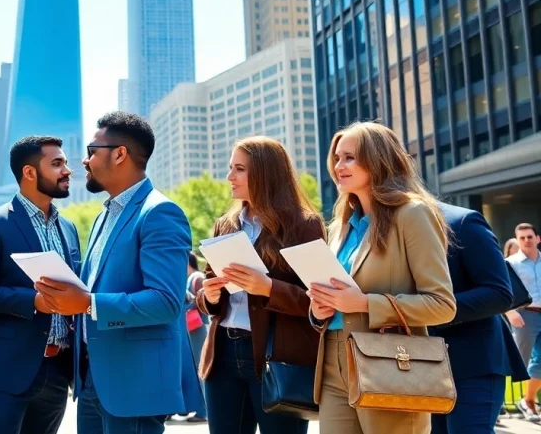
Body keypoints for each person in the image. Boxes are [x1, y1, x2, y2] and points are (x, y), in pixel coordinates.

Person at [34, 111, 202, 434]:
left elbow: (167, 302)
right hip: (93, 380)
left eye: (91, 151)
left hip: (135, 386)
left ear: (120, 154)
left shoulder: (160, 213)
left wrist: (88, 303)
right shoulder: (103, 217)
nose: (84, 161)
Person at [308, 122, 455, 434]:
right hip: (333, 362)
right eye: (337, 158)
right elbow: (338, 298)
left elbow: (442, 304)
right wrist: (319, 310)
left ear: (377, 159)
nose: (339, 166)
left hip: (390, 362)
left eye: (349, 157)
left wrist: (364, 303)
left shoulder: (413, 214)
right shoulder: (339, 227)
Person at [197, 137, 324, 434]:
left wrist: (268, 288)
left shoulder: (304, 225)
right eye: (231, 167)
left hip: (278, 358)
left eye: (239, 169)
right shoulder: (225, 224)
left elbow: (319, 301)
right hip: (223, 354)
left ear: (266, 173)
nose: (229, 176)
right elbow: (207, 289)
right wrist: (210, 295)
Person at [0, 135, 80, 434]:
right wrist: (33, 301)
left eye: (65, 163)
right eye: (57, 164)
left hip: (58, 370)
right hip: (6, 369)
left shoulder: (69, 228)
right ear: (29, 172)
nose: (67, 170)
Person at [430, 204, 529, 434]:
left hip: (474, 359)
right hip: (419, 364)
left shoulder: (461, 222)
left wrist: (427, 309)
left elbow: (499, 293)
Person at [505, 222, 541, 421]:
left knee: (540, 362)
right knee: (518, 361)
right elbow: (501, 291)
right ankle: (498, 407)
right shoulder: (510, 263)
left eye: (530, 236)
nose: (526, 240)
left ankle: (528, 401)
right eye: (522, 238)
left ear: (538, 239)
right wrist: (510, 312)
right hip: (523, 315)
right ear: (517, 241)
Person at [178, 251, 206, 424]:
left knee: (200, 368)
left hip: (198, 328)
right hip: (192, 328)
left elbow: (202, 302)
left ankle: (203, 411)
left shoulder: (197, 278)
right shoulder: (191, 278)